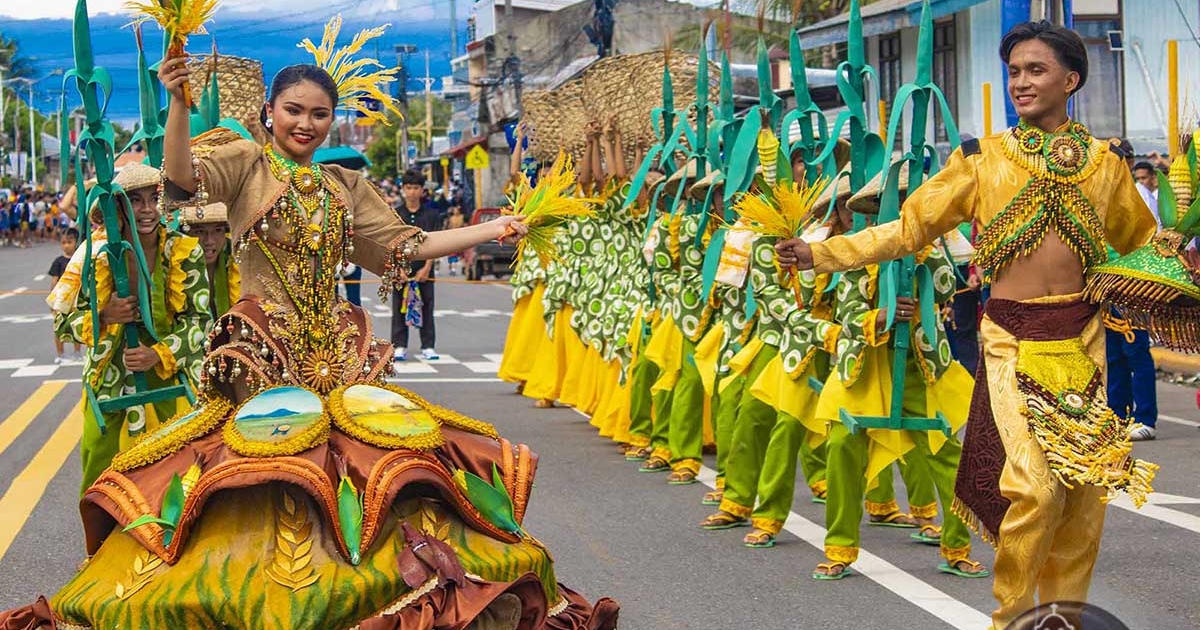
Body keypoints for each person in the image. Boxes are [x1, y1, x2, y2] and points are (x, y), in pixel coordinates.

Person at [0, 24, 619, 626]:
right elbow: (183, 179)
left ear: (331, 120)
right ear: (269, 112)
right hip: (264, 350)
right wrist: (178, 104)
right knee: (269, 474)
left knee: (364, 470)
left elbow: (408, 245)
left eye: (320, 114)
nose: (306, 123)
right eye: (293, 110)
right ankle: (264, 598)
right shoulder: (245, 163)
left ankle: (358, 589)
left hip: (337, 352)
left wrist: (493, 228)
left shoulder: (343, 184)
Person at [777, 21, 1158, 629]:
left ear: (1071, 80)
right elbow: (909, 228)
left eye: (1035, 70)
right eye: (1014, 72)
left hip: (1082, 341)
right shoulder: (982, 159)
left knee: (1084, 501)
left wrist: (1173, 264)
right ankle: (1011, 620)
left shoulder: (1105, 165)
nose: (1021, 82)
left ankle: (1061, 619)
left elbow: (1143, 245)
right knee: (1034, 490)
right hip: (1011, 340)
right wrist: (821, 252)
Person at [47, 163, 213, 493]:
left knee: (176, 474)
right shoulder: (93, 255)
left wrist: (157, 354)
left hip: (170, 375)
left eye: (154, 198)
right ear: (118, 208)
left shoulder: (185, 250)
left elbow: (200, 321)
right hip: (109, 378)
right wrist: (104, 315)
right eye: (135, 200)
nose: (147, 209)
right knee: (100, 472)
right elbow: (62, 322)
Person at [392, 169, 441, 362]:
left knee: (427, 306)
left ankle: (428, 346)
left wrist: (427, 268)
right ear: (403, 189)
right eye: (408, 188)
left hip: (424, 270)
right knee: (399, 307)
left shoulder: (432, 215)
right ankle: (399, 345)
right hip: (401, 269)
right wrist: (398, 268)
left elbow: (436, 243)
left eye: (416, 188)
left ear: (422, 190)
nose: (412, 192)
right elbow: (391, 243)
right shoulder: (395, 214)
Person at [182, 201, 240, 319]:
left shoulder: (238, 257)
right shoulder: (173, 265)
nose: (209, 241)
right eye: (199, 232)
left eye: (217, 230)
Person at [48, 227, 84, 364]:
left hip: (76, 299)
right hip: (61, 300)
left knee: (76, 325)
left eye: (69, 242)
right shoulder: (58, 261)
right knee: (59, 326)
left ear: (77, 242)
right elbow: (54, 280)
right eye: (63, 242)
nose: (66, 245)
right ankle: (60, 354)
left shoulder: (80, 260)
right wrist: (53, 300)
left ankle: (77, 352)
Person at [1132, 160, 1161, 225]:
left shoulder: (1160, 196)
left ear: (1153, 177)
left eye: (1143, 178)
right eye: (1137, 179)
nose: (1140, 182)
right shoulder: (1136, 197)